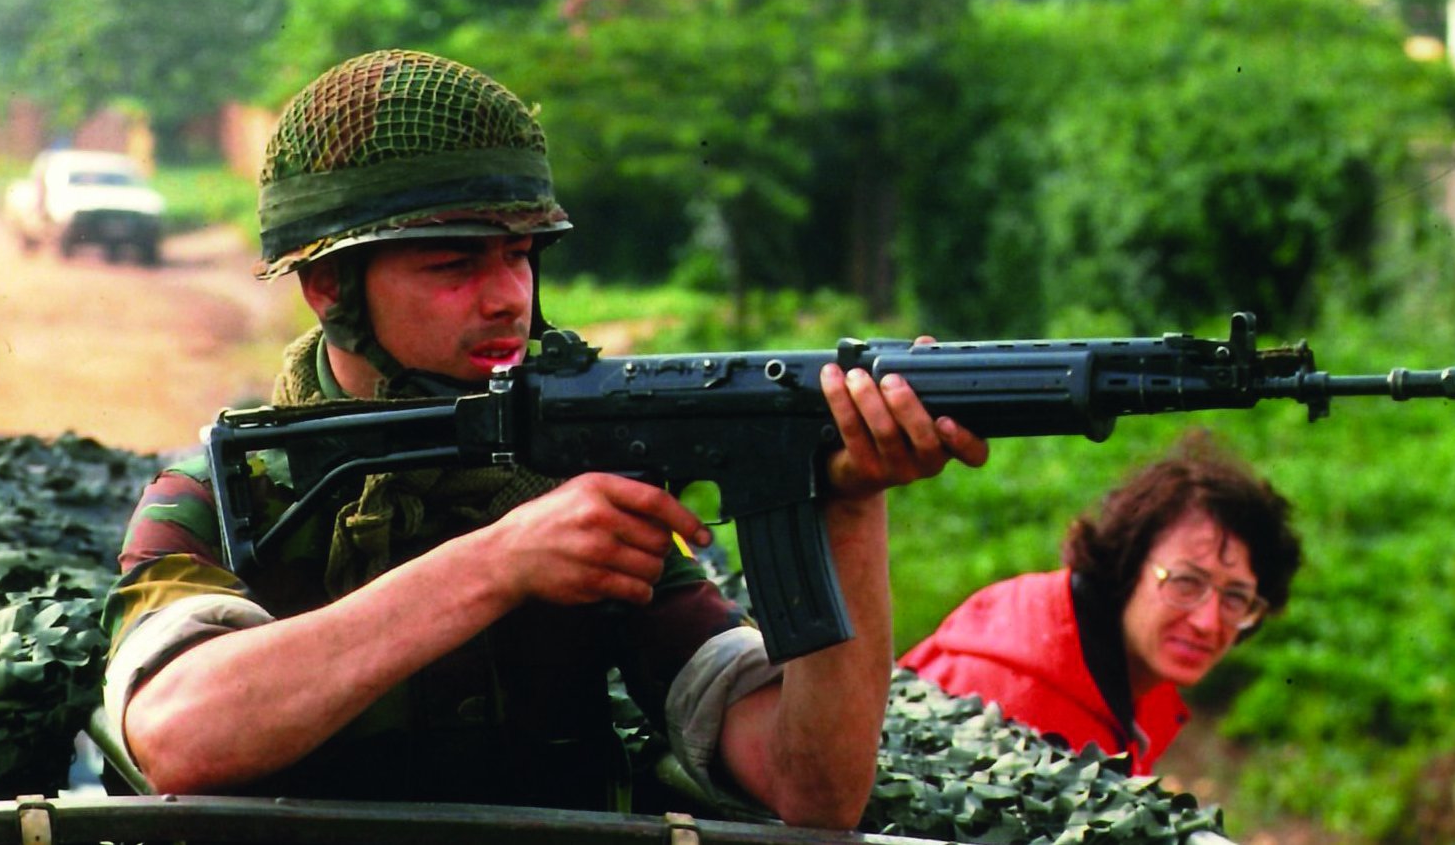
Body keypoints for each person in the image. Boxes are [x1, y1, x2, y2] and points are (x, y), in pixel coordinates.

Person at [98, 49, 988, 829]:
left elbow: (811, 789)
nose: (508, 298)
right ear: (329, 287)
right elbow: (177, 735)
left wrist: (845, 503)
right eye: (456, 264)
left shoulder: (568, 475)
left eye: (522, 254)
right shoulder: (224, 491)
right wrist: (498, 562)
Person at [898, 430, 1300, 776]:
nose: (1208, 622)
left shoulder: (1133, 678)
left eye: (1236, 597)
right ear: (1127, 564)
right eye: (1185, 583)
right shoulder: (1006, 700)